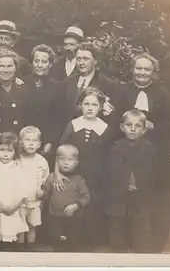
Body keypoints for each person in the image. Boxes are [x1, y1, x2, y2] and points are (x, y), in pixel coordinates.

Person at [115, 52, 170, 251]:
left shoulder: (163, 94)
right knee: (126, 193)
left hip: (154, 152)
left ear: (153, 72)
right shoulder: (122, 91)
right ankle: (126, 240)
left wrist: (154, 126)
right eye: (139, 68)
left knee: (152, 196)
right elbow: (116, 119)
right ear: (133, 70)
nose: (142, 72)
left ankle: (155, 241)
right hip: (127, 152)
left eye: (146, 69)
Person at [56, 87, 116, 250]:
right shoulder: (73, 125)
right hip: (73, 173)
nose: (90, 108)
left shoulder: (105, 128)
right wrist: (57, 173)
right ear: (80, 105)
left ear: (101, 107)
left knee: (91, 207)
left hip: (96, 176)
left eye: (94, 105)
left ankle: (88, 242)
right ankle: (70, 241)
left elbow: (108, 155)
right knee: (72, 206)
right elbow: (61, 150)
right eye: (86, 104)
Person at [103, 109, 159, 253]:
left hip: (140, 195)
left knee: (141, 228)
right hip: (119, 194)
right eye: (129, 125)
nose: (133, 129)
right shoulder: (116, 147)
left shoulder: (149, 148)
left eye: (138, 126)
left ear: (144, 129)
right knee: (117, 227)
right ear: (122, 127)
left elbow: (152, 173)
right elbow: (111, 171)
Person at [42, 144, 91, 252]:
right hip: (54, 215)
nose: (66, 162)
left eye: (70, 159)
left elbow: (86, 197)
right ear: (57, 161)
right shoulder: (52, 177)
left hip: (73, 217)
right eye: (62, 159)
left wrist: (76, 205)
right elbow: (45, 193)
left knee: (73, 240)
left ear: (76, 162)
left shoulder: (78, 179)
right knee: (56, 241)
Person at [23, 44, 65, 161]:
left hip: (46, 143)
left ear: (50, 64)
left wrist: (50, 142)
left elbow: (59, 119)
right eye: (36, 61)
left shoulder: (58, 87)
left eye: (44, 61)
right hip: (24, 141)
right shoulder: (22, 83)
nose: (40, 65)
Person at [62, 42, 119, 126]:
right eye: (78, 59)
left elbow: (110, 117)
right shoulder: (68, 81)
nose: (81, 63)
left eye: (85, 59)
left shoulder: (107, 84)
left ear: (95, 60)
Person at [16, 126, 50, 251]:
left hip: (35, 201)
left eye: (34, 141)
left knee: (32, 225)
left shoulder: (42, 161)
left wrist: (43, 190)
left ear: (39, 144)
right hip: (19, 201)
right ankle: (20, 247)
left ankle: (30, 246)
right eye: (27, 140)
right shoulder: (17, 159)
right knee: (20, 225)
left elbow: (46, 180)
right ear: (21, 142)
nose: (31, 143)